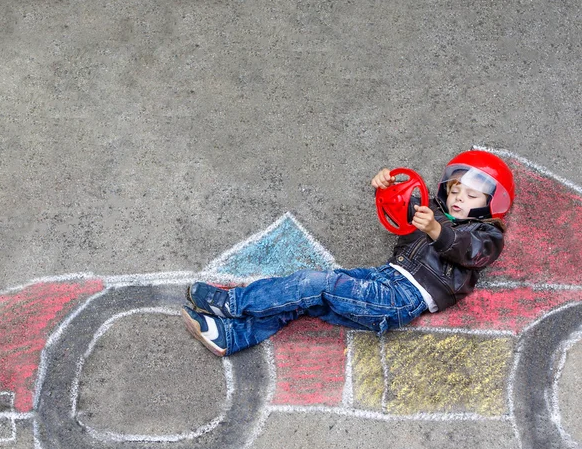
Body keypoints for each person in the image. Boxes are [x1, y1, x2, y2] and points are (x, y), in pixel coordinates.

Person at [182, 150, 515, 356]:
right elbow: (402, 209)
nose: (459, 198)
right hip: (385, 279)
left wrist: (436, 231)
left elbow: (470, 252)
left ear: (492, 204)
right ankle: (231, 336)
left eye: (472, 196)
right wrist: (388, 186)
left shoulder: (486, 235)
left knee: (314, 284)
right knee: (305, 300)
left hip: (402, 299)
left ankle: (235, 303)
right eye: (456, 189)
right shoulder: (433, 209)